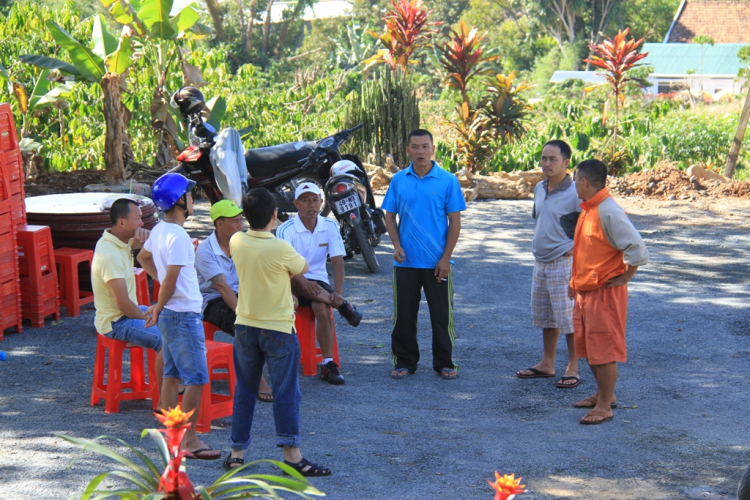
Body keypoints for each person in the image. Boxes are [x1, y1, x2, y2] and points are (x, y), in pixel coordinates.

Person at [224, 187, 331, 476]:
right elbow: (303, 267)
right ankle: (292, 455)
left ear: (245, 217)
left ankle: (237, 452)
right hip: (278, 328)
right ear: (274, 216)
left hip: (245, 325)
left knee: (244, 391)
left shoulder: (236, 240)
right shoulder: (280, 247)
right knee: (286, 393)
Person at [137, 173, 220, 459]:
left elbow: (142, 258)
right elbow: (170, 282)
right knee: (196, 377)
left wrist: (160, 300)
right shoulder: (180, 236)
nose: (192, 198)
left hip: (172, 314)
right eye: (188, 194)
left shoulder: (160, 230)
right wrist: (158, 304)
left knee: (172, 375)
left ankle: (175, 436)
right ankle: (190, 441)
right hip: (182, 314)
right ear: (179, 201)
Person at [382, 129, 467, 380]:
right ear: (407, 150)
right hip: (406, 263)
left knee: (441, 316)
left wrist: (445, 258)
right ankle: (405, 362)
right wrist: (396, 244)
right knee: (404, 316)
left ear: (433, 149)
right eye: (415, 147)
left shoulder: (448, 180)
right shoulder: (398, 180)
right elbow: (389, 215)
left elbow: (455, 222)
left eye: (425, 146)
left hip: (437, 263)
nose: (420, 151)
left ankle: (445, 363)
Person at [569, 159, 649, 425]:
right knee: (590, 347)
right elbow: (586, 252)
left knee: (603, 349)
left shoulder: (608, 210)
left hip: (603, 292)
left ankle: (605, 406)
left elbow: (636, 247)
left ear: (584, 182)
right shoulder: (589, 209)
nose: (573, 185)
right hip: (586, 290)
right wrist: (574, 282)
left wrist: (625, 277)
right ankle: (605, 394)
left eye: (575, 180)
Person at [277, 182, 362, 386]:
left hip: (319, 283)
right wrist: (304, 283)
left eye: (315, 199)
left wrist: (338, 292)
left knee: (321, 307)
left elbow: (337, 259)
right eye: (305, 200)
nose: (311, 204)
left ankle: (327, 362)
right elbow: (285, 265)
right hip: (290, 281)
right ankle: (343, 308)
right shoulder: (285, 229)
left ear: (322, 202)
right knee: (306, 284)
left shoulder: (330, 225)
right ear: (296, 204)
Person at [516, 140, 582, 389]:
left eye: (552, 159)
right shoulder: (539, 188)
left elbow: (589, 225)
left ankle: (573, 368)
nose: (546, 163)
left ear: (566, 163)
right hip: (540, 262)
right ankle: (547, 363)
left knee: (568, 318)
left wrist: (575, 250)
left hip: (564, 262)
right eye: (544, 158)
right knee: (547, 316)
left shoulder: (577, 191)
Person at [194, 199, 274, 402]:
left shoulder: (243, 243)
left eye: (241, 220)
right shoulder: (206, 251)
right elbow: (221, 287)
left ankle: (272, 367)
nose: (241, 225)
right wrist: (244, 312)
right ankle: (259, 380)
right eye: (235, 221)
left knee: (276, 315)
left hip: (241, 293)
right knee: (245, 326)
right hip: (212, 300)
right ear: (219, 224)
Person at [91, 198, 165, 410]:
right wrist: (147, 318)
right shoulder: (110, 254)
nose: (142, 223)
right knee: (165, 341)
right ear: (122, 223)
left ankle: (173, 386)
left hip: (128, 314)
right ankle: (163, 399)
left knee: (173, 324)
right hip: (117, 322)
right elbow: (124, 305)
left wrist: (148, 236)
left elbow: (153, 241)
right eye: (139, 219)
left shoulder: (121, 240)